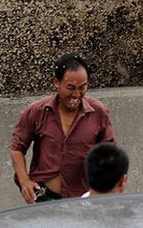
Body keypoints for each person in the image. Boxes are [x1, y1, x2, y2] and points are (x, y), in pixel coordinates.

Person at [9, 54, 117, 203]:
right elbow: (17, 148)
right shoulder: (36, 112)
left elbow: (110, 154)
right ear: (56, 82)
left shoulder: (98, 112)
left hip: (84, 200)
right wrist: (24, 181)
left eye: (82, 87)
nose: (76, 94)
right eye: (70, 88)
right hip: (44, 199)